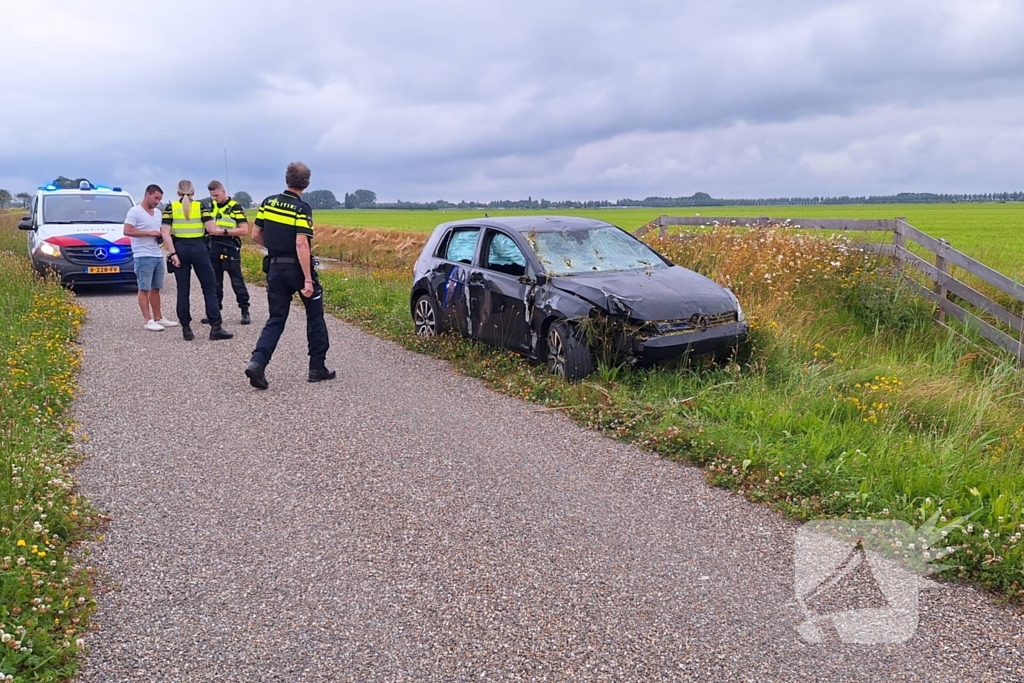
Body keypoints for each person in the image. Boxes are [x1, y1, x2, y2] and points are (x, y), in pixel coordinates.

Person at [245, 162, 333, 389]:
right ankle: (317, 367)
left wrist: (276, 249)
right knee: (314, 316)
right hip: (297, 268)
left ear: (286, 179)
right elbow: (301, 244)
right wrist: (307, 278)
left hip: (275, 268)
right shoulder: (301, 208)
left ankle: (258, 362)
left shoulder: (268, 202)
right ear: (307, 183)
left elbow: (256, 235)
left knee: (275, 319)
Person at [160, 180, 234, 342]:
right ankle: (215, 327)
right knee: (209, 288)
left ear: (178, 192)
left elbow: (165, 232)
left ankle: (186, 329)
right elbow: (212, 230)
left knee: (183, 290)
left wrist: (173, 254)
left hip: (179, 249)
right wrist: (232, 231)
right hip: (199, 249)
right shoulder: (201, 207)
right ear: (193, 192)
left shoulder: (170, 208)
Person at [123, 184, 179, 331]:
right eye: (155, 198)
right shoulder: (134, 211)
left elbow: (159, 231)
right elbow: (127, 230)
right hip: (142, 255)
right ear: (147, 194)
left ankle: (158, 317)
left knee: (156, 288)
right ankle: (148, 320)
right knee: (144, 288)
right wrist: (148, 233)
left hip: (156, 253)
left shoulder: (158, 213)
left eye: (159, 199)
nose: (157, 202)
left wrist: (160, 237)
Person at [202, 180, 251, 325]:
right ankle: (215, 312)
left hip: (230, 247)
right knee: (215, 282)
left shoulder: (235, 207)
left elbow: (244, 230)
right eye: (212, 196)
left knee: (237, 281)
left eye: (216, 195)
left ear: (223, 192)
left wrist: (223, 232)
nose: (215, 198)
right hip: (213, 247)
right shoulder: (211, 207)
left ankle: (244, 310)